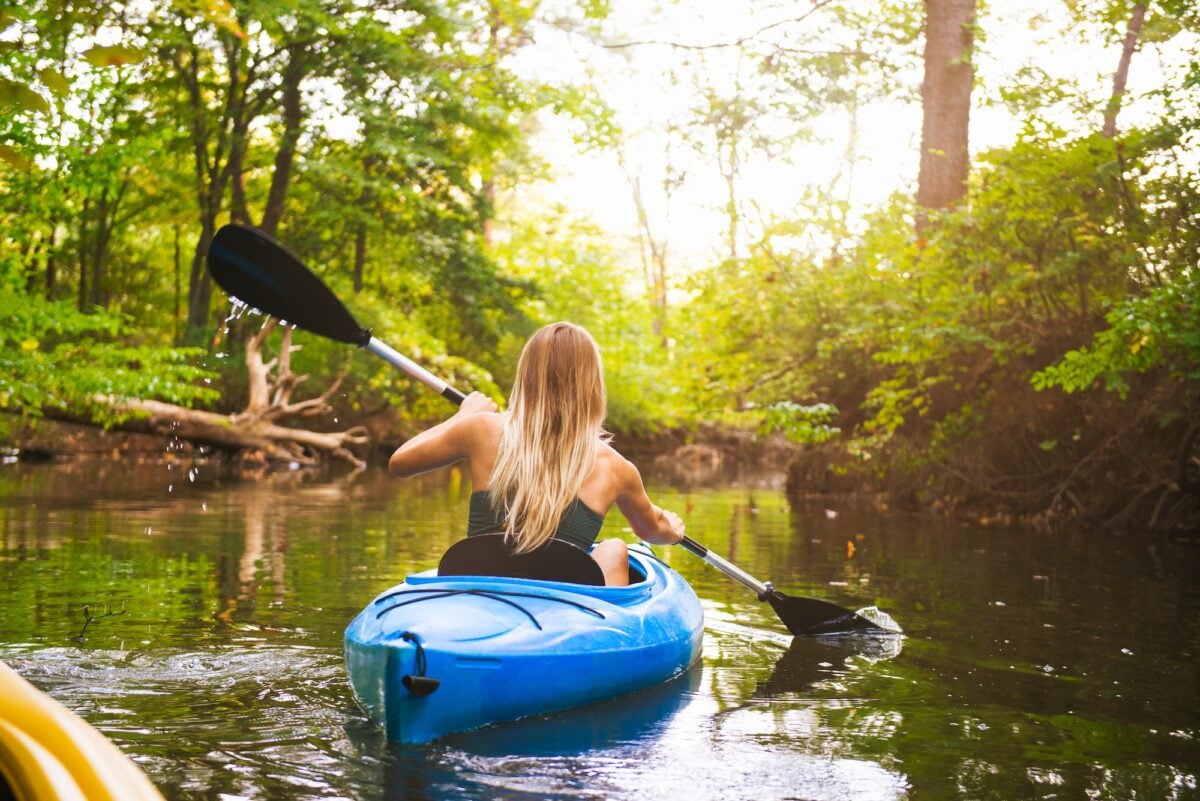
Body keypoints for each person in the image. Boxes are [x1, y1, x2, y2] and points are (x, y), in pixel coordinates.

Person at [388, 322, 685, 586]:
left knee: (612, 548)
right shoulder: (615, 467)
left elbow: (400, 462)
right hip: (564, 595)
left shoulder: (481, 428)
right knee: (614, 548)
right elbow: (653, 530)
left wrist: (461, 417)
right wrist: (672, 530)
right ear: (592, 386)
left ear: (526, 376)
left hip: (479, 581)